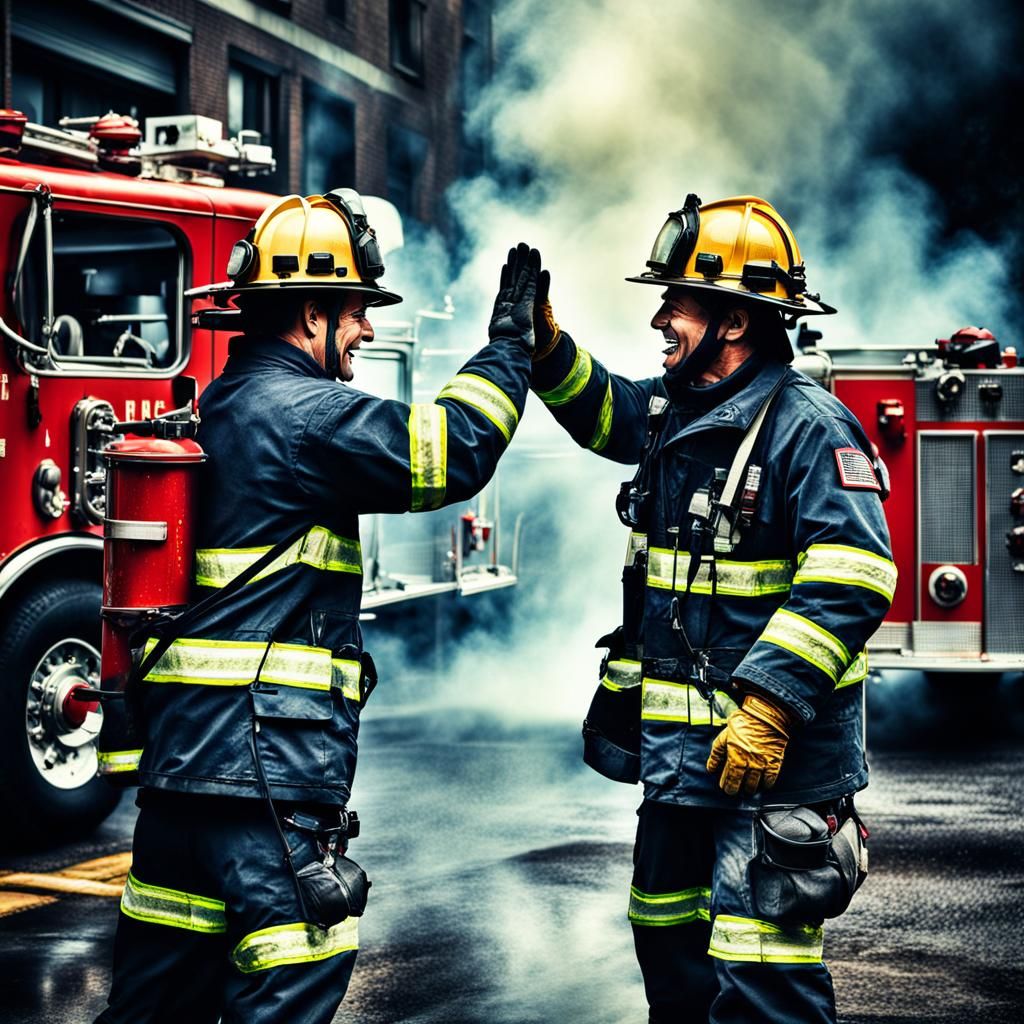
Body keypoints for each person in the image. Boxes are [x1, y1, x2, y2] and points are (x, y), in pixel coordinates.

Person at [95, 191, 541, 1023]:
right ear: (311, 313)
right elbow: (450, 455)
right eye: (357, 313)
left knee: (155, 1005)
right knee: (290, 986)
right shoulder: (309, 415)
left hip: (181, 782)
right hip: (267, 781)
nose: (368, 332)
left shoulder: (214, 407)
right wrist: (508, 353)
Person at [531, 194, 895, 1024]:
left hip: (771, 767)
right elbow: (610, 412)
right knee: (670, 954)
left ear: (734, 322)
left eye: (678, 304)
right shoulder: (679, 410)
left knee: (764, 975)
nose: (660, 317)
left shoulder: (807, 426)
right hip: (682, 770)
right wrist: (549, 353)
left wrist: (769, 707)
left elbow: (854, 577)